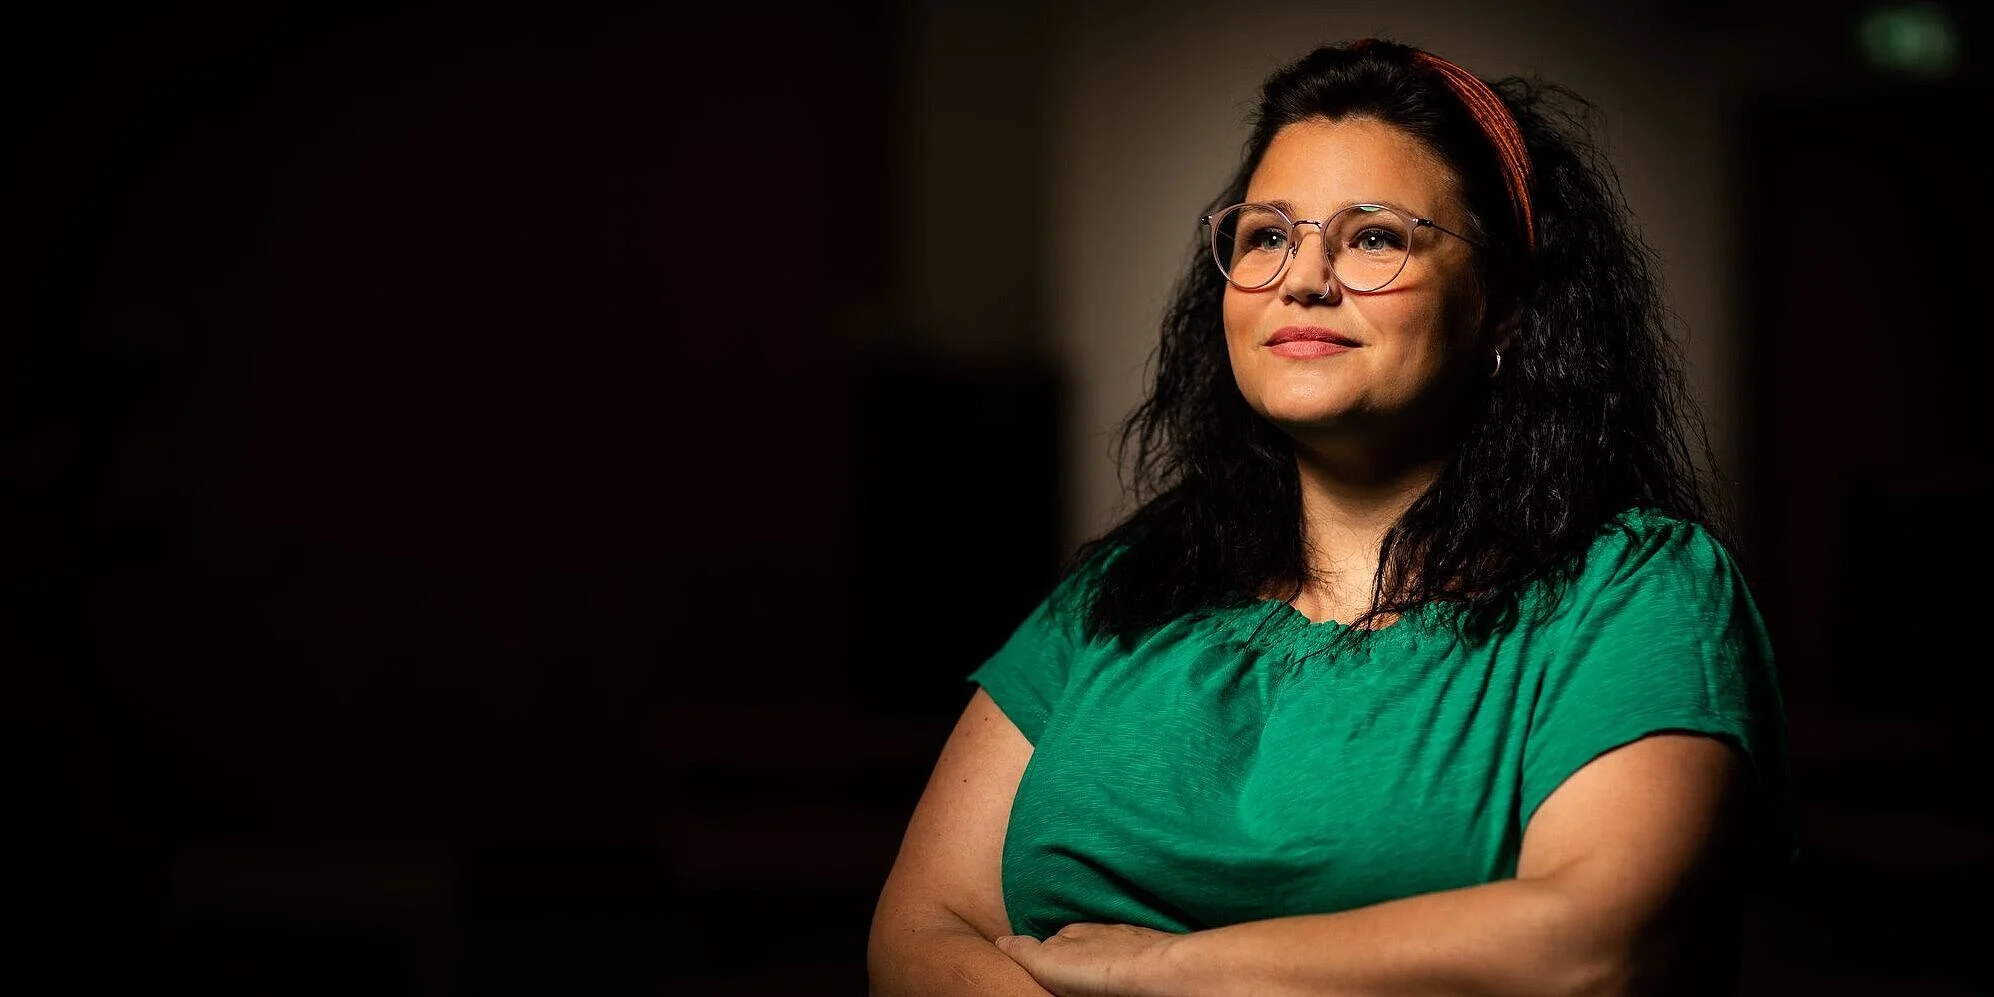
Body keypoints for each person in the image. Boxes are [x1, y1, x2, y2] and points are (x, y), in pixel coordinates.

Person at [866, 36, 1791, 997]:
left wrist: (1161, 969)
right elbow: (919, 929)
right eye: (1267, 236)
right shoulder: (1120, 590)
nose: (1303, 278)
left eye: (1375, 236)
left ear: (1504, 307)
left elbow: (1595, 947)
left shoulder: (1637, 591)